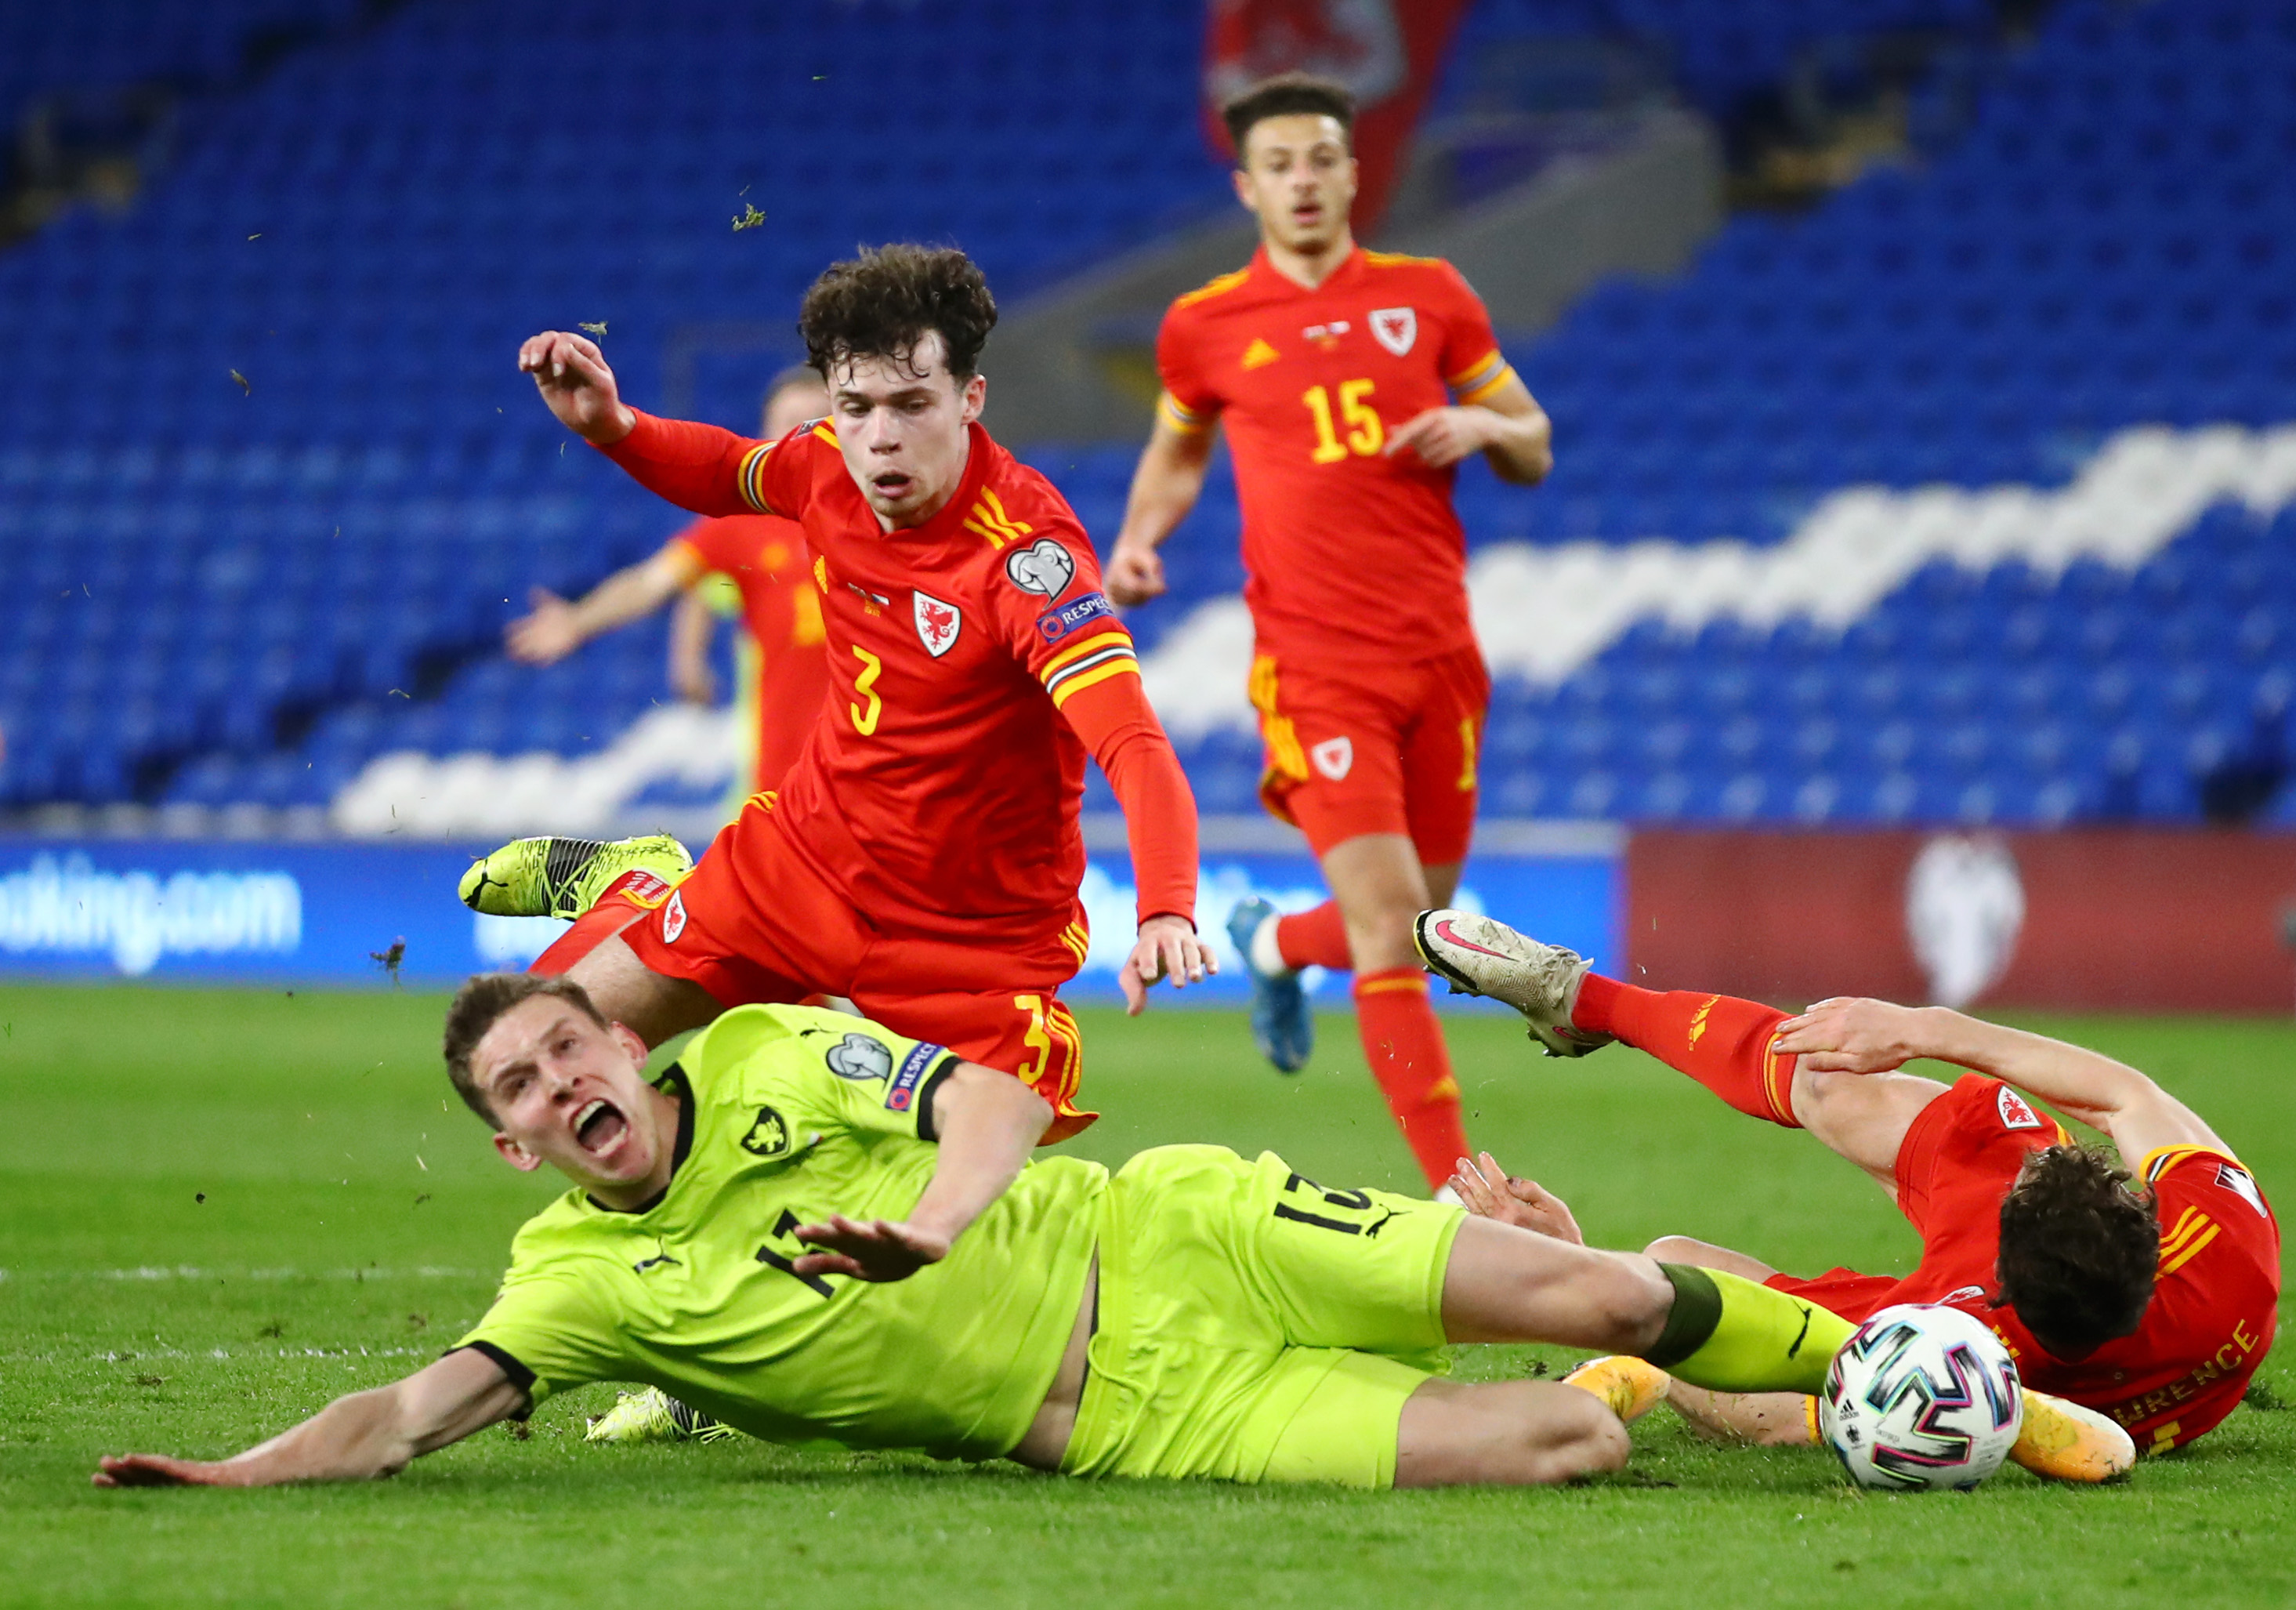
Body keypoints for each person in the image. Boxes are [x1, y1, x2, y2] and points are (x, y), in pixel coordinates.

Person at [92, 972, 1871, 1492]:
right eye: (527, 1086)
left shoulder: (777, 1045)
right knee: (1562, 1425)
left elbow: (996, 1104)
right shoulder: (573, 1286)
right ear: (512, 1144)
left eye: (571, 1045)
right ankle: (1677, 1375)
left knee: (1594, 1281)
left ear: (622, 1041)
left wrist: (938, 1227)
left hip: (1183, 1236)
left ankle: (1883, 1364)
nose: (565, 1084)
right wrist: (240, 1472)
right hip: (1145, 1421)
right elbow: (410, 1409)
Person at [476, 245, 1216, 1148]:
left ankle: (655, 897)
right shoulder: (827, 463)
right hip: (803, 863)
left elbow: (1133, 743)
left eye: (912, 405)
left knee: (955, 1226)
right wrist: (615, 425)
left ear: (968, 401)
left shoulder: (1028, 559)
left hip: (968, 944)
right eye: (856, 407)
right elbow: (727, 471)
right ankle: (646, 889)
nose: (879, 438)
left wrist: (1168, 905)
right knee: (538, 1056)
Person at [1104, 73, 1552, 1191]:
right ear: (1245, 185)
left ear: (1352, 172)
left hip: (1440, 655)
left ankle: (1269, 944)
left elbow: (1536, 439)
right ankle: (1461, 1188)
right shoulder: (1202, 326)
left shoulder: (1431, 296)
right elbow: (1176, 451)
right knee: (1398, 919)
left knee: (1422, 928)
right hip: (1313, 666)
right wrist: (1137, 539)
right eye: (1278, 164)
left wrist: (1481, 422)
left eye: (1319, 160)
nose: (1301, 181)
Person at [1416, 907, 2280, 1462]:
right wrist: (1920, 1027)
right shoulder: (2231, 1247)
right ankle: (1579, 1000)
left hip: (1977, 1315)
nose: (2066, 1147)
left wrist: (1592, 1274)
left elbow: (1766, 1410)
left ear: (2000, 1266)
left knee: (1672, 1263)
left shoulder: (1947, 1341)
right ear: (2150, 1229)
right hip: (2081, 1319)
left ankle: (1583, 1036)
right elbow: (2125, 1095)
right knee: (1831, 1075)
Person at [503, 364, 834, 800]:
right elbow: (655, 582)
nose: (802, 437)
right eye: (790, 424)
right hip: (784, 781)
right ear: (767, 435)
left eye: (816, 422)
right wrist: (580, 619)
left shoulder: (887, 516)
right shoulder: (743, 525)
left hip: (879, 777)